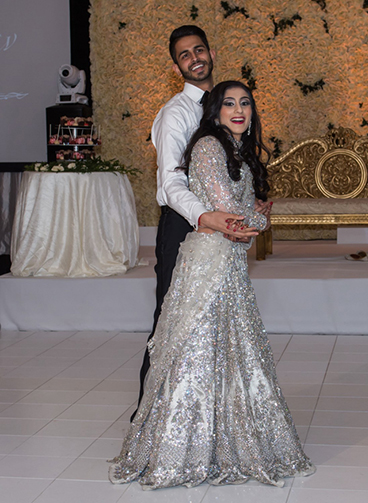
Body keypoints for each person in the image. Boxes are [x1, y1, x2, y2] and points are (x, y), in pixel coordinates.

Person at [109, 81, 315, 489]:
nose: (238, 110)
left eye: (245, 103)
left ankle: (221, 443)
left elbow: (243, 219)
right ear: (215, 111)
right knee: (197, 356)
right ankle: (178, 451)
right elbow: (236, 220)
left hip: (230, 266)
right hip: (210, 267)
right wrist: (257, 218)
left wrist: (253, 217)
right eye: (228, 103)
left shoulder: (237, 151)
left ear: (253, 112)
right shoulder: (207, 147)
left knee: (233, 354)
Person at [131, 26, 262, 421]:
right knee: (172, 321)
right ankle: (150, 418)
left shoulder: (225, 104)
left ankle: (208, 419)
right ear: (177, 66)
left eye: (199, 50)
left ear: (211, 52)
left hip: (221, 227)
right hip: (184, 224)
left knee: (213, 326)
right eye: (185, 55)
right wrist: (205, 216)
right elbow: (171, 182)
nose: (194, 58)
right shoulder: (176, 113)